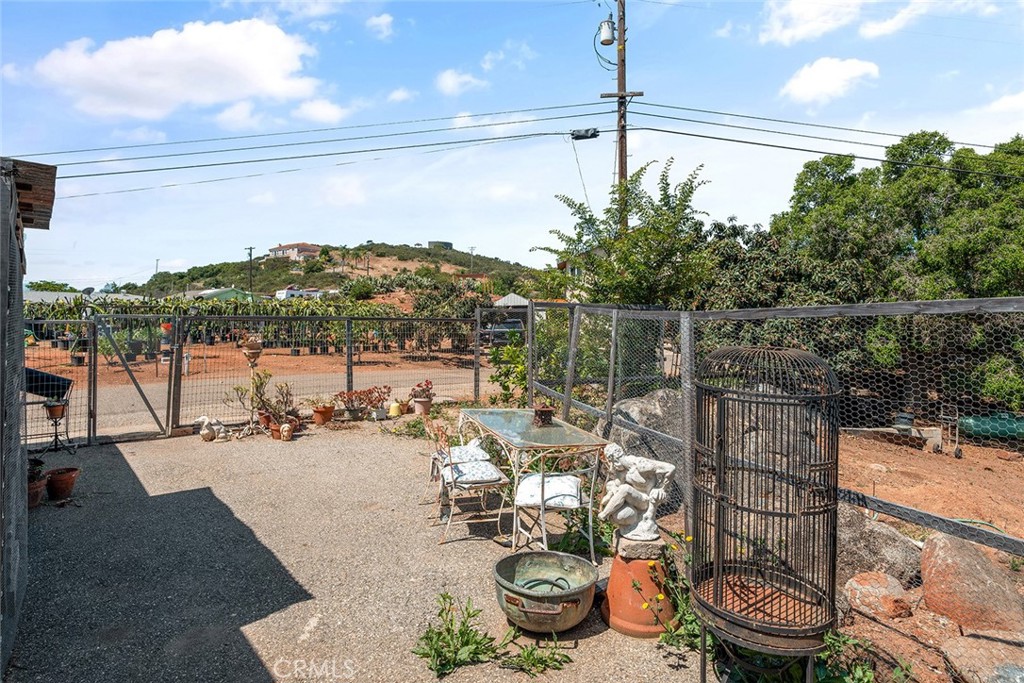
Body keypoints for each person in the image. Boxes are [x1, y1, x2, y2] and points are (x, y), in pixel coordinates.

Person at [598, 443, 676, 541]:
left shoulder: (641, 465)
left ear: (617, 459)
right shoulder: (622, 471)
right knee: (620, 513)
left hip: (645, 500)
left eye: (612, 461)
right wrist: (611, 490)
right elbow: (616, 484)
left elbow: (670, 468)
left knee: (625, 489)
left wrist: (661, 489)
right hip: (633, 501)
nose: (612, 465)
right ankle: (621, 520)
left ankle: (604, 515)